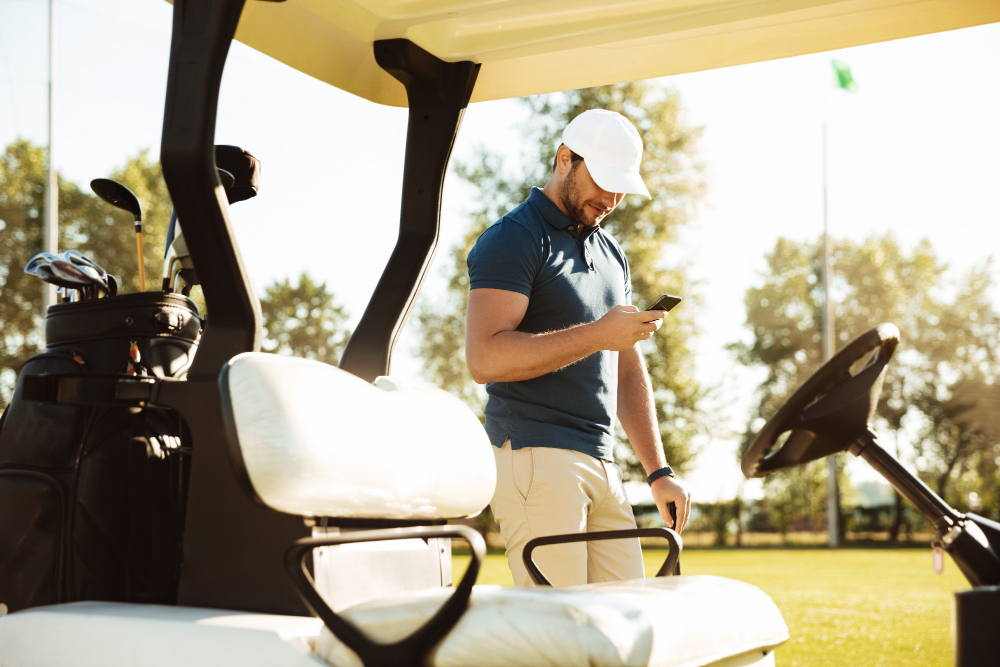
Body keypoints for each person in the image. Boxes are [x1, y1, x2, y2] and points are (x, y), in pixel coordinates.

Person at [465, 109, 692, 588]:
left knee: (625, 620)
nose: (610, 199)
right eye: (603, 181)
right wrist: (598, 335)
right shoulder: (513, 238)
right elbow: (484, 359)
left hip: (602, 460)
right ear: (564, 159)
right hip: (535, 454)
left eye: (621, 187)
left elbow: (627, 367)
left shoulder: (611, 254)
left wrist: (658, 471)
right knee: (559, 633)